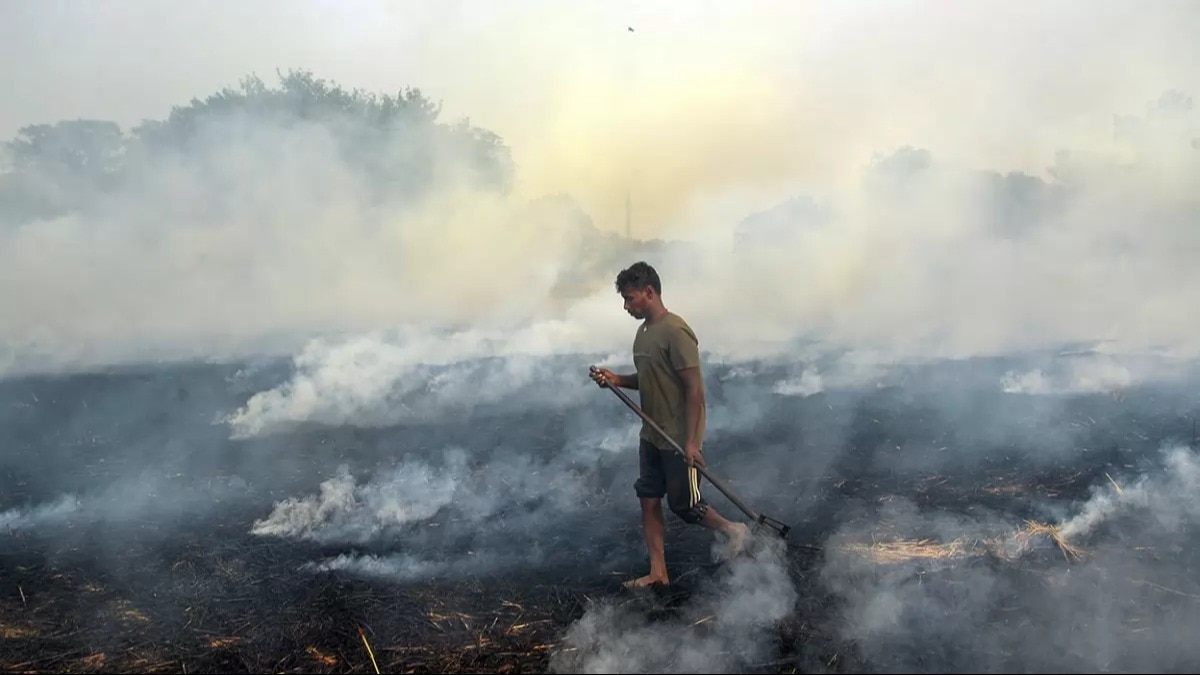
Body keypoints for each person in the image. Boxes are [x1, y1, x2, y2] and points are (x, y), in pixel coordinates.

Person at [590, 261, 749, 589]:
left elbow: (695, 390)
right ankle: (658, 572)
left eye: (630, 298)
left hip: (677, 436)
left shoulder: (676, 331)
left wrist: (691, 442)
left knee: (685, 506)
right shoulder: (643, 333)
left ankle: (734, 529)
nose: (626, 306)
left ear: (649, 292)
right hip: (652, 433)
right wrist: (617, 379)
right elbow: (649, 380)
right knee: (648, 497)